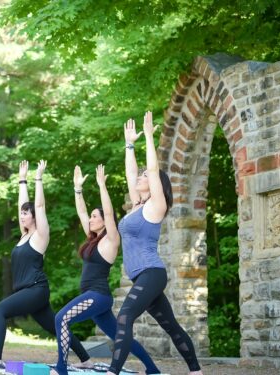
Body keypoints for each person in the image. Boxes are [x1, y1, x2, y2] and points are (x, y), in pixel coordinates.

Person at [107, 113, 203, 375]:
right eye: (139, 177)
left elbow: (151, 169)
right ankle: (196, 371)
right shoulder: (137, 205)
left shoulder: (156, 206)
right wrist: (129, 145)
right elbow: (131, 171)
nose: (139, 177)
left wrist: (149, 136)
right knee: (171, 326)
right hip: (142, 276)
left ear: (155, 183)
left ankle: (112, 372)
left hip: (151, 273)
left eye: (144, 176)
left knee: (124, 317)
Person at [0, 160, 91, 367]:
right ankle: (86, 359)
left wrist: (37, 178)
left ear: (34, 217)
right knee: (55, 326)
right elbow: (23, 204)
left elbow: (39, 205)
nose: (21, 216)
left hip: (36, 289)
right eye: (21, 213)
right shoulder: (23, 236)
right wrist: (22, 180)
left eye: (25, 214)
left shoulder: (40, 236)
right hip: (30, 291)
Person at [51, 165, 161, 375]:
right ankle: (152, 369)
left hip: (98, 296)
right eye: (91, 217)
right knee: (120, 337)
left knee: (61, 319)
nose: (91, 219)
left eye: (95, 216)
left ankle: (61, 369)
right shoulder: (92, 240)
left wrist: (102, 185)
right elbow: (81, 212)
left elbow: (109, 213)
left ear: (103, 221)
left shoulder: (111, 240)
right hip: (94, 298)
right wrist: (77, 189)